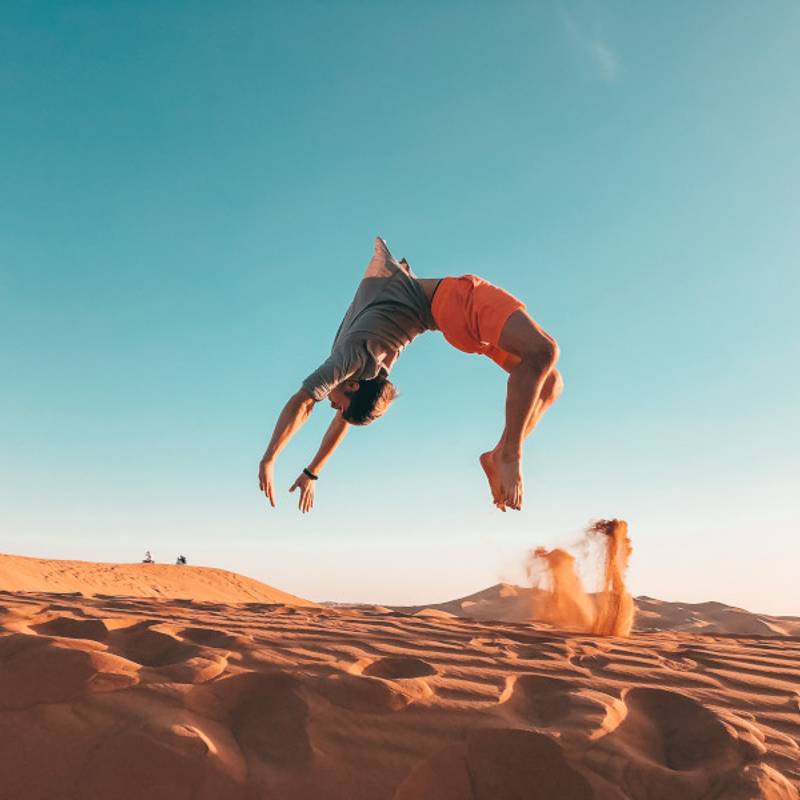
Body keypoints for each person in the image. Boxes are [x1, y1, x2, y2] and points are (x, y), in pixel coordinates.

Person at [258, 237, 562, 513]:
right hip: (454, 303)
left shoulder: (352, 362)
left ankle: (499, 454)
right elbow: (328, 412)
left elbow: (305, 402)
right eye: (338, 406)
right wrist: (293, 465)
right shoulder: (359, 361)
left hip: (453, 322)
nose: (332, 406)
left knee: (549, 382)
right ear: (354, 385)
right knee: (543, 352)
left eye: (336, 405)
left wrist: (284, 460)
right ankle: (509, 455)